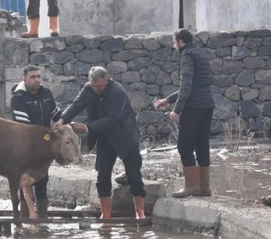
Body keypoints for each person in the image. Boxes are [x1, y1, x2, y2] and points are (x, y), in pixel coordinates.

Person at [54, 66, 146, 219]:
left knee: (134, 174)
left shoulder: (117, 92)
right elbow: (76, 105)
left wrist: (87, 127)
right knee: (102, 174)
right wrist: (63, 119)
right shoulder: (88, 88)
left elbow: (112, 119)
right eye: (94, 85)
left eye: (100, 86)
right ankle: (106, 214)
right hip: (104, 138)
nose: (96, 89)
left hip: (125, 136)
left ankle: (140, 212)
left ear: (107, 80)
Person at [154, 28, 214, 197]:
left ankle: (191, 187)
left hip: (193, 106)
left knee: (184, 145)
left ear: (181, 41)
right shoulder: (200, 54)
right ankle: (204, 188)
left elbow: (186, 86)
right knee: (202, 144)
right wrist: (167, 100)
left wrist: (176, 110)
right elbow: (192, 85)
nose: (174, 47)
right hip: (207, 104)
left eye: (174, 43)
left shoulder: (187, 55)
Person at [10, 65, 61, 218]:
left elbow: (56, 113)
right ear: (24, 79)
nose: (37, 80)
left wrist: (63, 122)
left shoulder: (46, 93)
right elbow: (25, 125)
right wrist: (48, 133)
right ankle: (25, 217)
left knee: (43, 179)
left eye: (38, 76)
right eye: (33, 77)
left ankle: (42, 216)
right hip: (24, 146)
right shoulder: (18, 97)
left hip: (44, 145)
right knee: (24, 179)